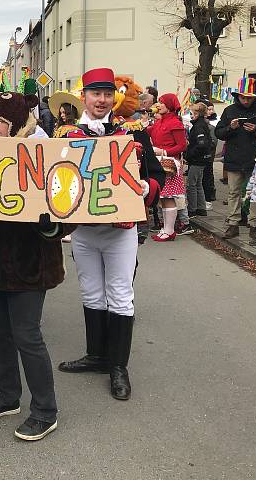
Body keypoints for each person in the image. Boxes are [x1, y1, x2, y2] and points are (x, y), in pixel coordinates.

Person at [58, 68, 164, 401]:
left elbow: (156, 175)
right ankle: (96, 356)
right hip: (86, 232)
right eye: (95, 94)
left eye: (107, 94)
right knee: (91, 293)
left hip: (121, 231)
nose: (101, 100)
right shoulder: (66, 134)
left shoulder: (133, 132)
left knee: (119, 294)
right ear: (84, 97)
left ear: (114, 97)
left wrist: (146, 187)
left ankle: (118, 366)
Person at [0, 91, 68, 442]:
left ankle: (45, 410)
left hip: (29, 264)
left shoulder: (42, 156)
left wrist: (48, 221)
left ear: (13, 126)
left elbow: (68, 208)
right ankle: (8, 395)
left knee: (27, 335)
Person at [215, 86, 256, 239]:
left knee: (254, 194)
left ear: (255, 97)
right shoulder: (229, 110)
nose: (245, 101)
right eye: (242, 97)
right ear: (237, 96)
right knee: (233, 192)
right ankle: (233, 223)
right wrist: (230, 128)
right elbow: (219, 132)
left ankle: (254, 225)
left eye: (248, 98)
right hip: (234, 158)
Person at [146, 94, 188, 241]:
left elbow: (182, 145)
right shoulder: (160, 121)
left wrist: (164, 151)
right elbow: (148, 132)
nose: (159, 105)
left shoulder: (175, 123)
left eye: (162, 103)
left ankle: (169, 230)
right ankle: (166, 228)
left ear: (169, 105)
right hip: (160, 162)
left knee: (167, 197)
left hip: (169, 164)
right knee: (163, 197)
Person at [185, 102, 212, 217]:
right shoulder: (202, 124)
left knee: (191, 184)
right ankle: (201, 208)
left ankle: (192, 209)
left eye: (192, 113)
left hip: (197, 160)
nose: (191, 115)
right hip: (202, 159)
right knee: (198, 183)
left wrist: (189, 154)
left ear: (197, 113)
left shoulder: (199, 126)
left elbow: (201, 144)